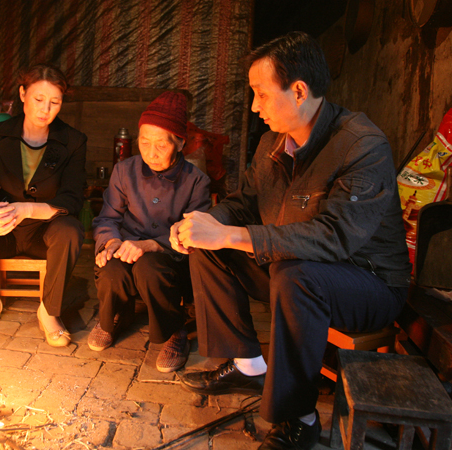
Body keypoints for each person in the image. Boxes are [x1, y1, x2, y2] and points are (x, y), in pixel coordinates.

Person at [170, 32, 412, 450]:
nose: (254, 106)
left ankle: (299, 418)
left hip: (367, 283)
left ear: (299, 91)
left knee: (295, 275)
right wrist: (205, 223)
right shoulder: (272, 143)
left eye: (261, 94)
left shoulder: (361, 145)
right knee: (210, 248)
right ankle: (249, 366)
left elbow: (334, 237)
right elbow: (244, 203)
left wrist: (230, 233)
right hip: (291, 269)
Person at [0, 63, 86, 347]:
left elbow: (73, 197)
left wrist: (26, 209)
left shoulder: (73, 141)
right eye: (39, 99)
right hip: (5, 231)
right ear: (23, 94)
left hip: (45, 232)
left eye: (55, 102)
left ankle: (49, 312)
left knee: (70, 229)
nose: (45, 109)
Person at [89, 92, 211, 372]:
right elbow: (107, 217)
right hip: (126, 246)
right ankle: (112, 318)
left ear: (180, 143)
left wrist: (151, 245)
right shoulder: (124, 171)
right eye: (144, 143)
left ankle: (175, 330)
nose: (151, 153)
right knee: (110, 268)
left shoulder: (196, 181)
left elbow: (195, 232)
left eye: (161, 144)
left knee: (150, 269)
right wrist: (110, 242)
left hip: (170, 256)